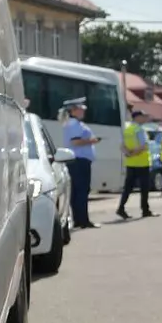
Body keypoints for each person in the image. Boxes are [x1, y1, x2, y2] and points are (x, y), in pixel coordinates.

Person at [60, 98, 102, 229]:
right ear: (73, 110)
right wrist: (92, 141)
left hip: (78, 160)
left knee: (77, 191)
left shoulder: (74, 123)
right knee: (82, 191)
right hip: (79, 161)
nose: (83, 111)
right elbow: (75, 142)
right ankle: (83, 220)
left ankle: (79, 219)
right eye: (81, 109)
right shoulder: (74, 124)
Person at [116, 109, 157, 220]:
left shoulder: (128, 129)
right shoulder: (139, 130)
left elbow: (122, 146)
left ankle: (121, 208)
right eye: (143, 116)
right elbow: (143, 146)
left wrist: (129, 154)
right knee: (144, 188)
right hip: (142, 163)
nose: (145, 118)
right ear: (137, 117)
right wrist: (134, 153)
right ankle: (145, 210)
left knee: (128, 188)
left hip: (130, 163)